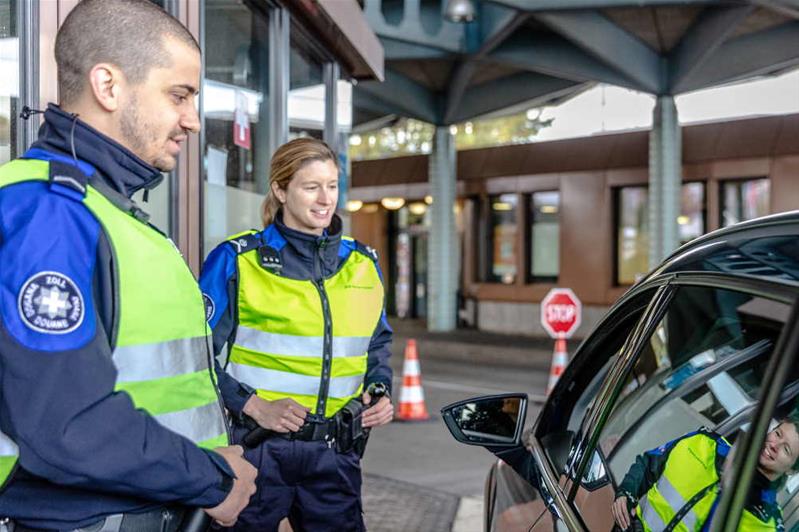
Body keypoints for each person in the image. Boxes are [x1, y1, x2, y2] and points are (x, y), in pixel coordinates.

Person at [0, 0, 257, 530]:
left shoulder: (97, 208)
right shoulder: (51, 214)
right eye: (178, 95)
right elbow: (69, 424)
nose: (191, 119)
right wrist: (212, 478)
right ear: (108, 86)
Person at [200, 137, 394, 531]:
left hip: (335, 453)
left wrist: (379, 388)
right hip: (258, 449)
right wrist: (254, 405)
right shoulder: (238, 260)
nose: (325, 199)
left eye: (332, 186)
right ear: (280, 190)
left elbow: (377, 344)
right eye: (311, 187)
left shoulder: (363, 264)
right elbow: (193, 356)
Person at [612, 419, 799, 531]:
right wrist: (626, 492)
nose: (774, 444)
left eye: (786, 449)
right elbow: (649, 463)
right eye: (777, 433)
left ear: (791, 470)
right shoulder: (703, 442)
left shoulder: (768, 524)